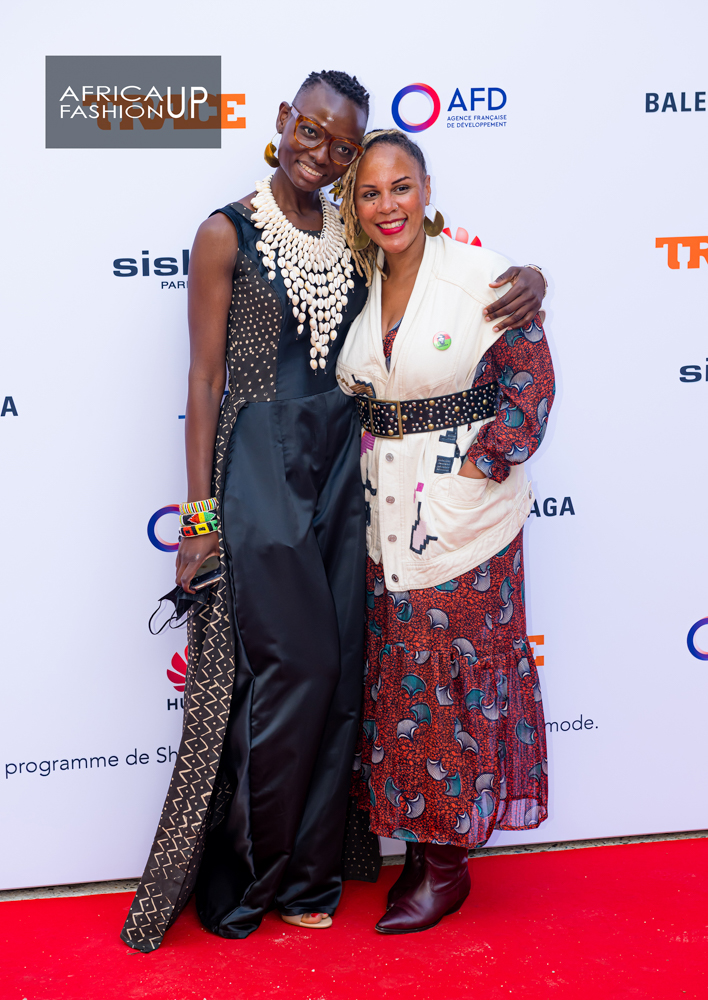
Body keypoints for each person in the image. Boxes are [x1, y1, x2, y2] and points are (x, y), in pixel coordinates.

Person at [121, 72, 547, 952]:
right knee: (292, 676)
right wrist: (199, 523)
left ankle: (312, 875)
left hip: (346, 474)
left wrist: (530, 281)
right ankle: (248, 879)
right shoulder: (226, 231)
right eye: (310, 132)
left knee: (345, 674)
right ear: (283, 122)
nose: (321, 153)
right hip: (261, 472)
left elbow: (435, 275)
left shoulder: (351, 237)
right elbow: (201, 382)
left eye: (342, 147)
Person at [336, 129, 554, 934]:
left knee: (455, 688)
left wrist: (478, 470)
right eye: (369, 192)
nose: (387, 205)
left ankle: (447, 868)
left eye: (401, 186)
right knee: (404, 690)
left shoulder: (480, 277)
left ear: (426, 190)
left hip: (465, 524)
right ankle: (417, 849)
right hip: (382, 517)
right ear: (355, 207)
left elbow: (529, 387)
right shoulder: (357, 280)